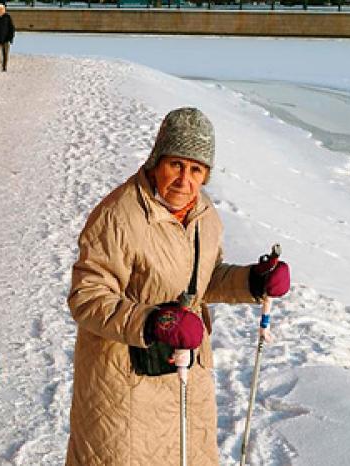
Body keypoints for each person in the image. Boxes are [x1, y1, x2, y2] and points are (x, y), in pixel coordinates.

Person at [65, 107, 290, 464]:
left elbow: (205, 279)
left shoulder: (204, 214)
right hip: (125, 386)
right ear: (157, 161)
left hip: (186, 377)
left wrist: (252, 280)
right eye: (176, 165)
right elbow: (87, 298)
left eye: (196, 169)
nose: (185, 179)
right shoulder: (118, 216)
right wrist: (154, 321)